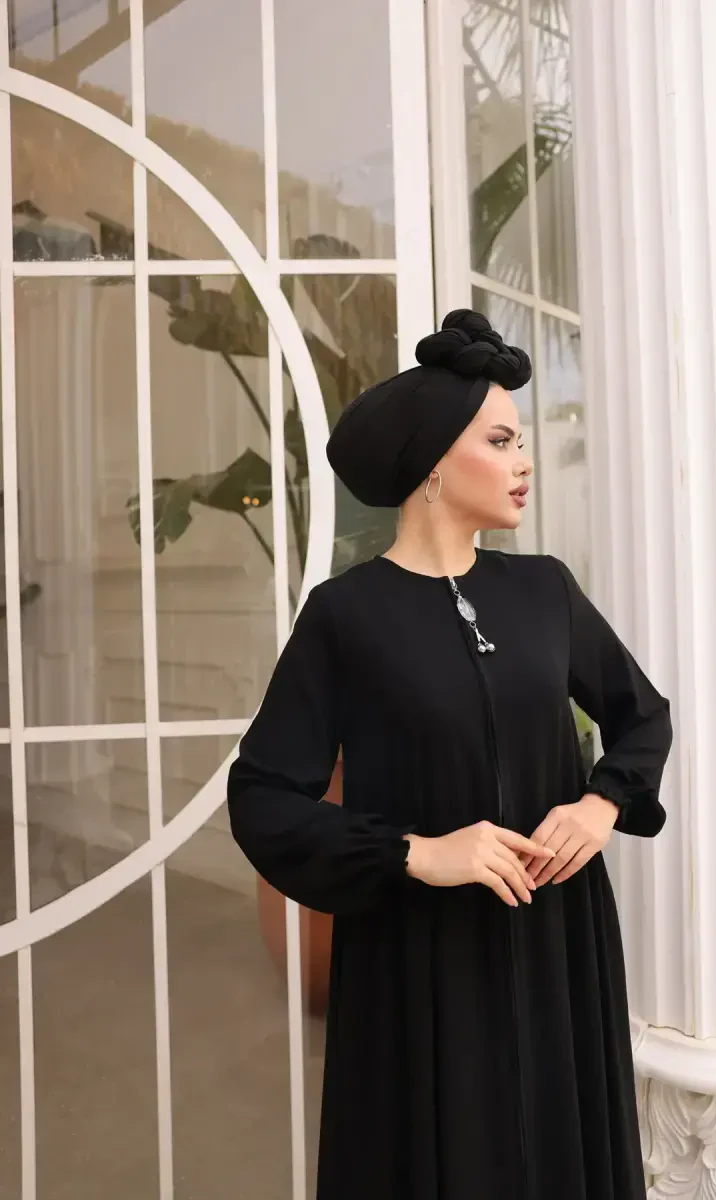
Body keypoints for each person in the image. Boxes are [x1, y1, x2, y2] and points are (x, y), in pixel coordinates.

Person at [227, 309, 673, 1200]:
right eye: (501, 441)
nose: (523, 461)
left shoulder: (544, 590)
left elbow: (642, 716)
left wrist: (600, 805)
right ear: (433, 463)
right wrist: (417, 853)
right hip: (421, 963)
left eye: (521, 441)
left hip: (557, 944)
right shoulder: (346, 616)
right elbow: (263, 797)